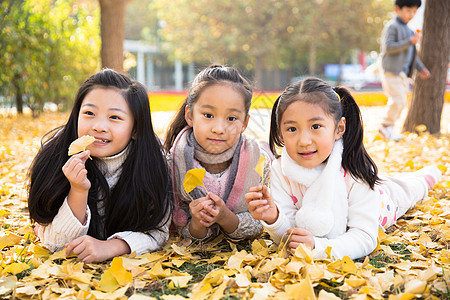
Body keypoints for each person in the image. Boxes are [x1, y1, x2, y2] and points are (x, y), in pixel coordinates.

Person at [245, 78, 441, 260]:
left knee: (409, 188)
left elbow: (364, 237)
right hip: (368, 192)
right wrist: (274, 218)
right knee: (392, 180)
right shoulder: (281, 171)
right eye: (292, 129)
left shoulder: (356, 174)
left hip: (383, 201)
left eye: (315, 126)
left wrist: (319, 248)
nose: (304, 141)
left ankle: (428, 175)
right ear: (280, 132)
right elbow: (291, 235)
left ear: (339, 128)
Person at [28, 69, 172, 263]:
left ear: (135, 129)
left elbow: (158, 231)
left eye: (115, 117)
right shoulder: (55, 155)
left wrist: (109, 247)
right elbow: (57, 245)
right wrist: (78, 191)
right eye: (89, 113)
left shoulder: (154, 161)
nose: (99, 126)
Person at [165, 65, 271, 242]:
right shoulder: (174, 163)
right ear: (190, 116)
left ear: (244, 123)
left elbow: (261, 222)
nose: (218, 129)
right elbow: (180, 224)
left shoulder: (258, 161)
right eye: (208, 115)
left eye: (231, 118)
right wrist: (197, 224)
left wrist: (225, 217)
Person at [379, 0, 430, 141]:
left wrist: (421, 69)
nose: (411, 14)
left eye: (414, 11)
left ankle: (388, 128)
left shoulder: (409, 31)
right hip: (391, 71)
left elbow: (413, 55)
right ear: (397, 9)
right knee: (399, 100)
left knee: (400, 101)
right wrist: (410, 41)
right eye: (408, 10)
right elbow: (388, 47)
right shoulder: (392, 27)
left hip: (402, 74)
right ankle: (385, 126)